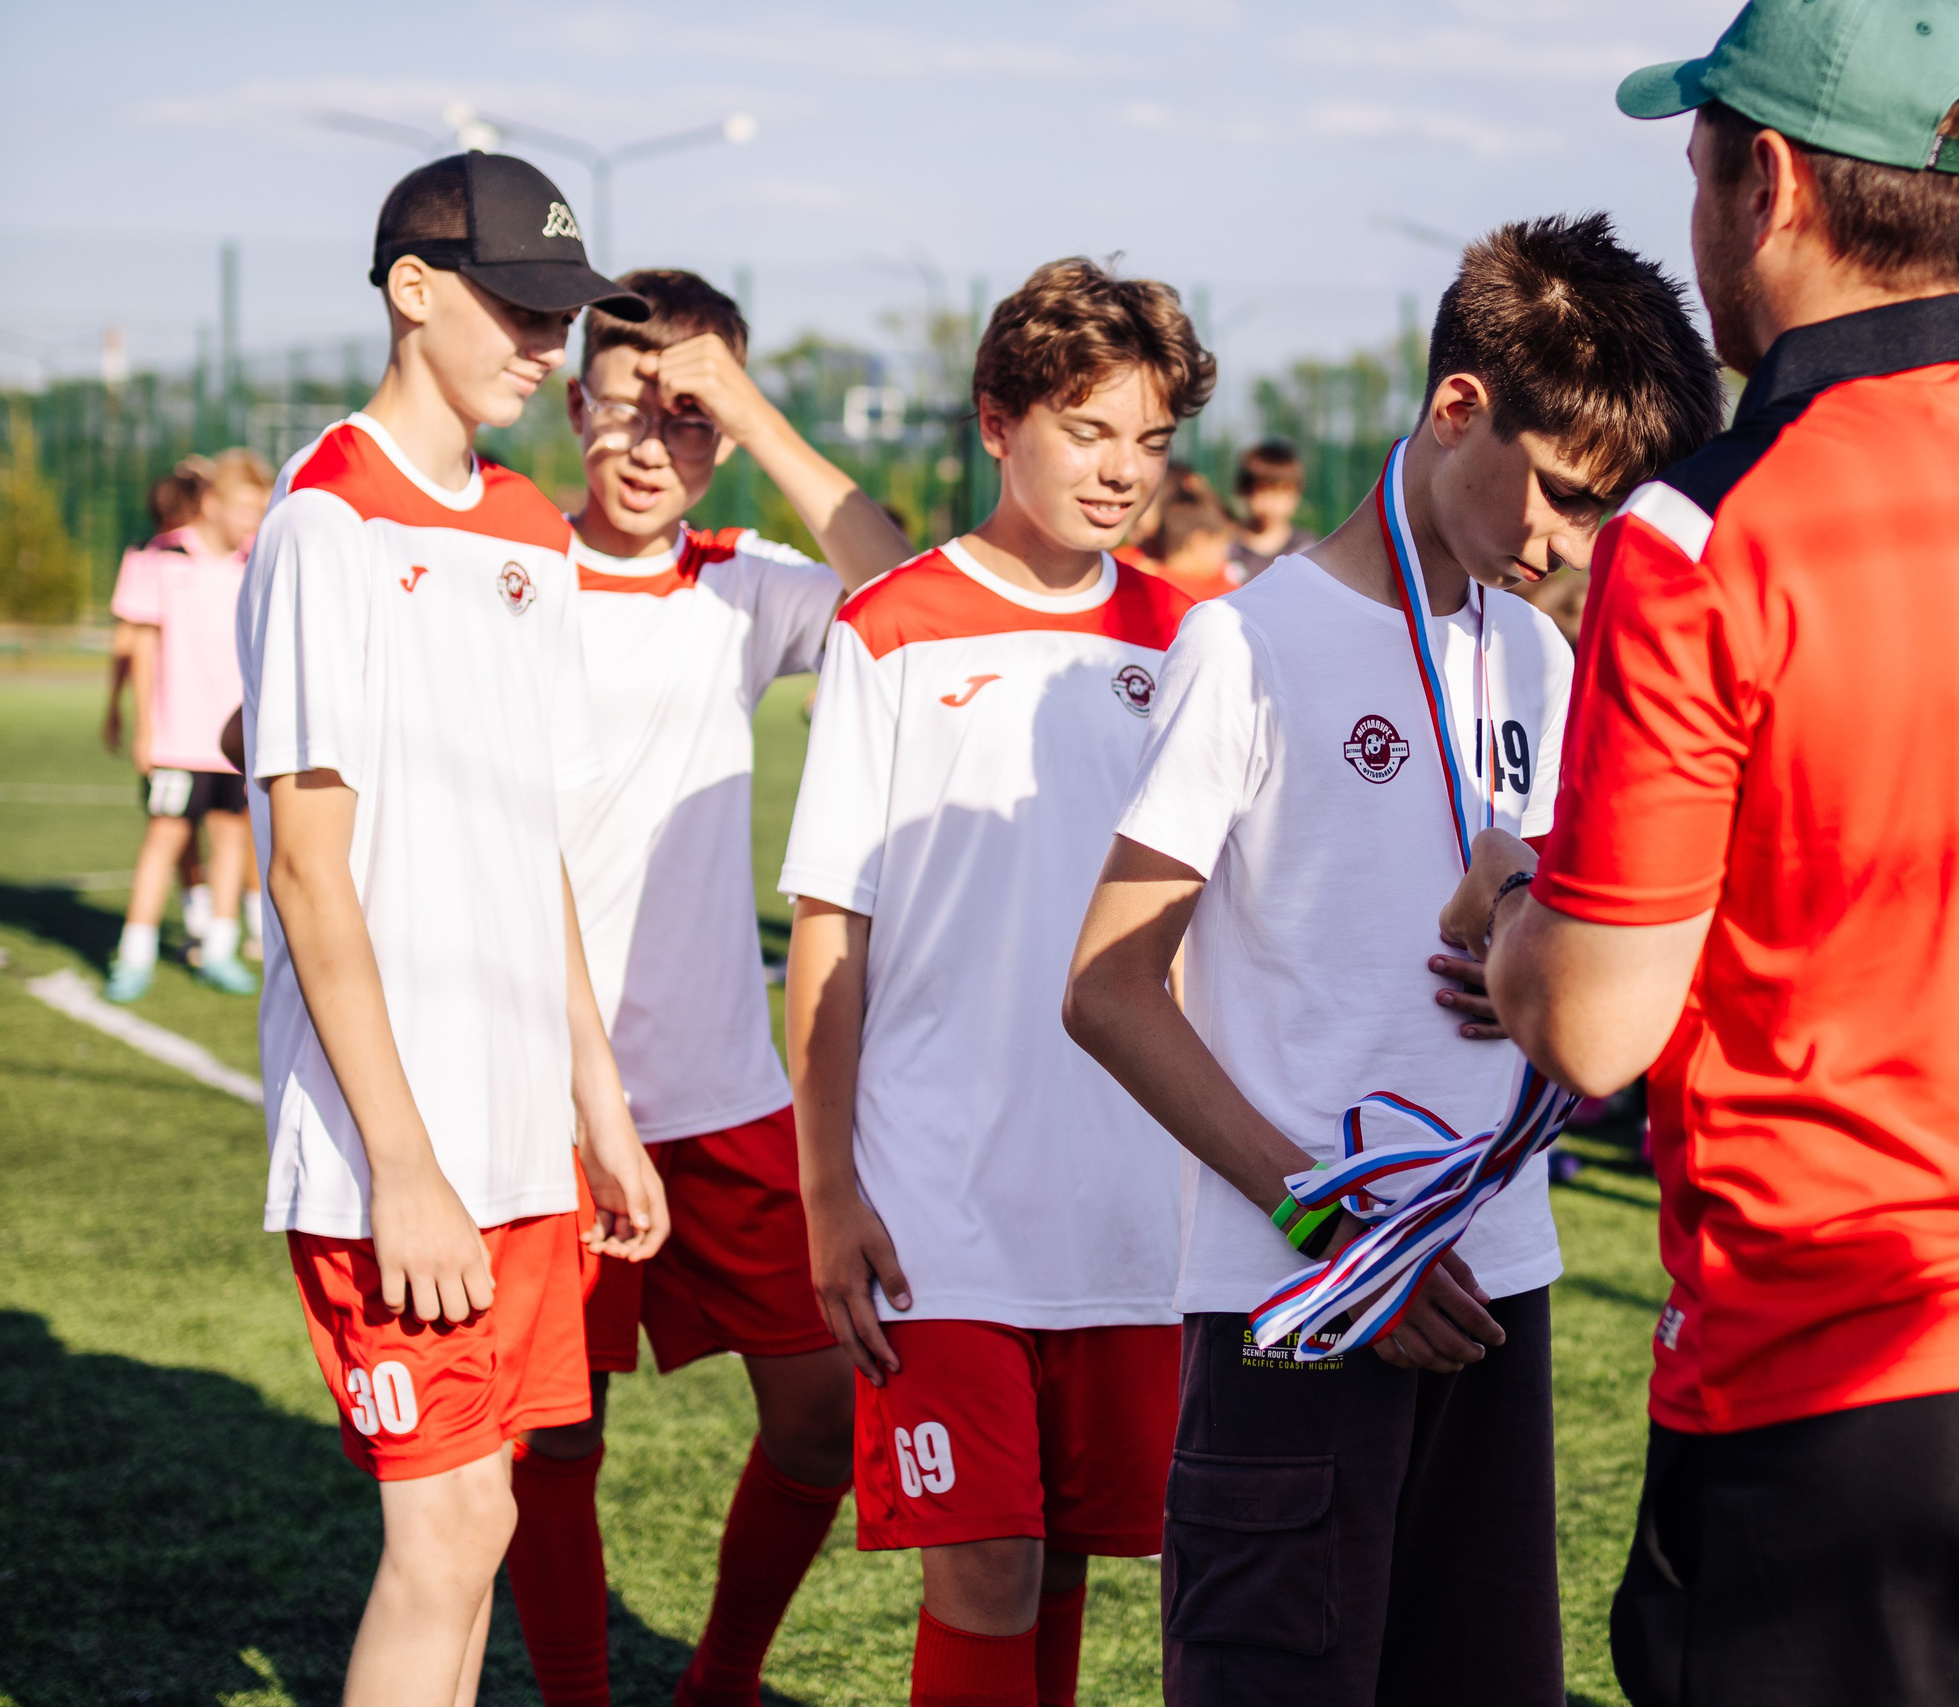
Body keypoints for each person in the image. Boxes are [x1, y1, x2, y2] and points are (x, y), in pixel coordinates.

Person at [1440, 5, 1959, 1702]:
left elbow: (1598, 1023)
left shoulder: (1701, 530)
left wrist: (1509, 904)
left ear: (1768, 186)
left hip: (1850, 1395)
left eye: (1697, 169)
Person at [1063, 212, 1722, 1706]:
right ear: (1456, 408)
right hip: (1297, 1297)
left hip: (1498, 1277)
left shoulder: (1543, 658)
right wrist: (1335, 1231)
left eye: (1598, 512)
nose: (1563, 541)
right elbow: (1106, 986)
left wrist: (1523, 914)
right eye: (1557, 490)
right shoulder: (1250, 644)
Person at [236, 152, 668, 1707]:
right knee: (443, 1530)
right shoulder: (326, 521)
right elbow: (304, 870)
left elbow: (525, 840)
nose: (547, 347)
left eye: (561, 316)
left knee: (480, 1520)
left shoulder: (530, 529)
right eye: (517, 307)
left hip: (518, 1141)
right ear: (413, 291)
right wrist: (401, 1167)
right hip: (389, 1150)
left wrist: (596, 1105)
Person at [779, 257, 1212, 1707]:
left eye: (1150, 441)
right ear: (995, 420)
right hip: (936, 1205)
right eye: (1090, 429)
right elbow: (831, 933)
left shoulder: (1188, 638)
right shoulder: (890, 626)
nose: (1122, 471)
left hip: (1130, 1207)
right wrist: (830, 1190)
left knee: (1073, 1555)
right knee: (987, 1565)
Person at [502, 269, 915, 1707]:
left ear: (722, 438)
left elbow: (898, 581)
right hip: (539, 1097)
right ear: (572, 405)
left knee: (820, 1417)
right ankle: (572, 1691)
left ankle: (721, 1679)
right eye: (624, 408)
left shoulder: (741, 586)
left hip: (729, 1097)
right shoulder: (507, 568)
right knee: (552, 1435)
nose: (647, 445)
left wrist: (749, 404)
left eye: (686, 421)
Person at [103, 447, 272, 1001]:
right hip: (178, 738)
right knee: (165, 840)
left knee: (230, 839)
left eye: (260, 509)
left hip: (234, 741)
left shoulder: (255, 563)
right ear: (213, 502)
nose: (253, 520)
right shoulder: (164, 557)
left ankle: (219, 949)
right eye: (246, 508)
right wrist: (145, 727)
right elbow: (143, 646)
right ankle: (134, 954)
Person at [1225, 439, 1314, 582]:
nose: (1271, 502)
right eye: (1263, 490)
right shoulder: (1226, 548)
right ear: (1244, 491)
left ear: (1297, 494)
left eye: (1281, 492)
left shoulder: (1308, 550)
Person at [1137, 490, 1236, 603]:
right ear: (1200, 542)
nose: (1224, 556)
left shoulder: (1140, 576)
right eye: (1222, 545)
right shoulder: (1218, 596)